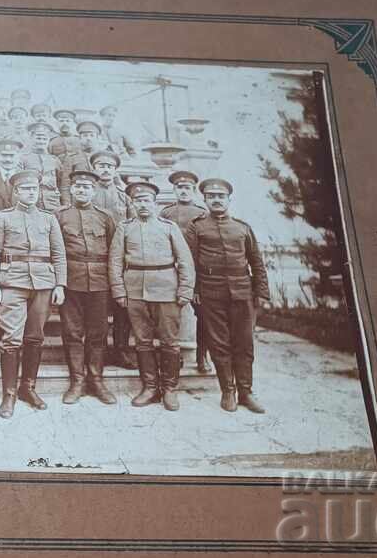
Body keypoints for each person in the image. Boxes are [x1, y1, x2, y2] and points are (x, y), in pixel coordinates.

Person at [0, 171, 68, 418]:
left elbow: (59, 254)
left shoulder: (48, 219)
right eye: (26, 189)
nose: (31, 193)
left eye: (35, 189)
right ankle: (8, 394)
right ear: (16, 192)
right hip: (12, 283)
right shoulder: (3, 218)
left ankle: (27, 388)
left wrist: (60, 285)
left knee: (35, 337)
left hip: (43, 283)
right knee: (12, 338)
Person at [186, 178, 270, 413]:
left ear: (229, 199)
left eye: (221, 196)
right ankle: (228, 391)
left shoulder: (242, 228)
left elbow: (257, 261)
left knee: (244, 342)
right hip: (210, 291)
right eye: (211, 196)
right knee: (219, 343)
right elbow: (189, 261)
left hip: (242, 290)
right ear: (204, 199)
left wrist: (261, 292)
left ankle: (246, 392)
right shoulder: (197, 226)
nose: (216, 200)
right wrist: (194, 290)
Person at [109, 180, 195, 410]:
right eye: (138, 201)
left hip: (167, 289)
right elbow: (115, 261)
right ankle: (149, 387)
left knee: (169, 341)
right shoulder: (124, 227)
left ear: (155, 203)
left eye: (146, 200)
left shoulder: (169, 227)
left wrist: (185, 289)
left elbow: (185, 260)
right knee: (142, 341)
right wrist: (118, 290)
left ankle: (169, 389)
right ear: (132, 204)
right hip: (135, 290)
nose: (142, 205)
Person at [56, 169, 118, 405]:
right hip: (71, 280)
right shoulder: (59, 215)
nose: (81, 190)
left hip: (100, 281)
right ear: (71, 189)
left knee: (98, 333)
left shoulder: (106, 217)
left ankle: (96, 380)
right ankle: (77, 381)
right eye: (78, 186)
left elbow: (114, 251)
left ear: (94, 190)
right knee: (72, 332)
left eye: (86, 187)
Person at [159, 169, 214, 375]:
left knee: (203, 316)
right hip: (171, 270)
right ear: (174, 190)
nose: (184, 191)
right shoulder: (166, 213)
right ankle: (175, 356)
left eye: (188, 188)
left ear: (193, 191)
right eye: (180, 188)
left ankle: (202, 357)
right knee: (171, 315)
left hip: (197, 271)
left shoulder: (202, 213)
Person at [88, 150, 136, 369]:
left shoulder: (123, 195)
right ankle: (99, 351)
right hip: (95, 256)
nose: (105, 169)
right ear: (94, 169)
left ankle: (121, 350)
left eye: (109, 166)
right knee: (97, 308)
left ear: (115, 170)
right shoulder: (88, 192)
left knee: (121, 307)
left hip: (120, 258)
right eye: (100, 165)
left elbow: (133, 224)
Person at [20, 121, 62, 211]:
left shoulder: (54, 160)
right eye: (38, 138)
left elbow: (61, 182)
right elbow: (20, 181)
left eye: (44, 139)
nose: (41, 141)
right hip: (32, 202)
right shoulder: (23, 159)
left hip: (53, 203)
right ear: (31, 138)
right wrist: (42, 180)